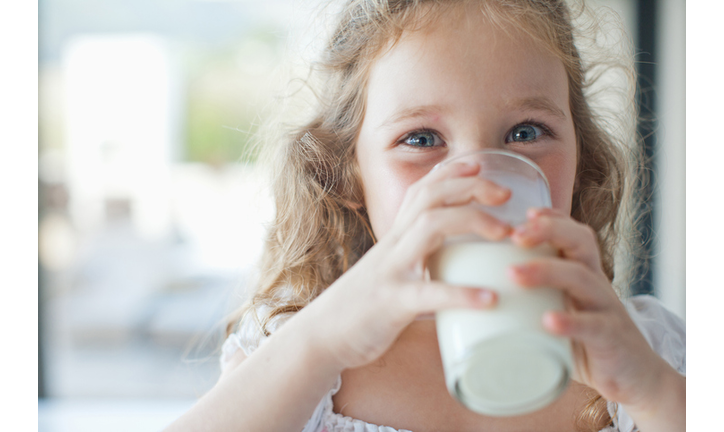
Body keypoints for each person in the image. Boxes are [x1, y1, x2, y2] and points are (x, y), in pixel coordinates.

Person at [167, 1, 685, 431]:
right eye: (420, 140)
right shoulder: (294, 366)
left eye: (526, 133)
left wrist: (651, 390)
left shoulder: (646, 352)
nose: (479, 182)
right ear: (348, 176)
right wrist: (321, 341)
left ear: (581, 154)